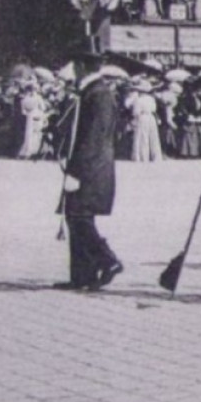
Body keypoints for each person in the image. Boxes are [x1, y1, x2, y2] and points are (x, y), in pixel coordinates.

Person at [55, 43, 123, 291]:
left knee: (79, 217)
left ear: (82, 66)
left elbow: (94, 137)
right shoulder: (91, 91)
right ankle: (82, 276)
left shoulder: (99, 94)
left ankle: (107, 259)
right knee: (77, 217)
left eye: (74, 66)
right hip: (90, 166)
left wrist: (77, 172)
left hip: (92, 168)